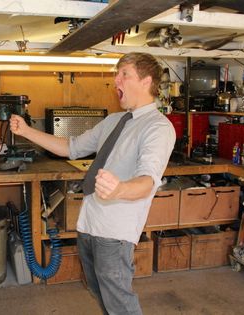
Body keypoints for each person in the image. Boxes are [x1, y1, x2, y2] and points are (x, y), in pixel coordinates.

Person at [10, 52, 175, 315]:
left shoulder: (157, 127)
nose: (116, 79)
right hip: (89, 223)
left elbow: (148, 180)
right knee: (99, 292)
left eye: (124, 74)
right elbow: (70, 147)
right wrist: (26, 131)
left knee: (119, 302)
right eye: (116, 73)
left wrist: (119, 188)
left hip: (115, 231)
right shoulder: (114, 121)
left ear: (146, 81)